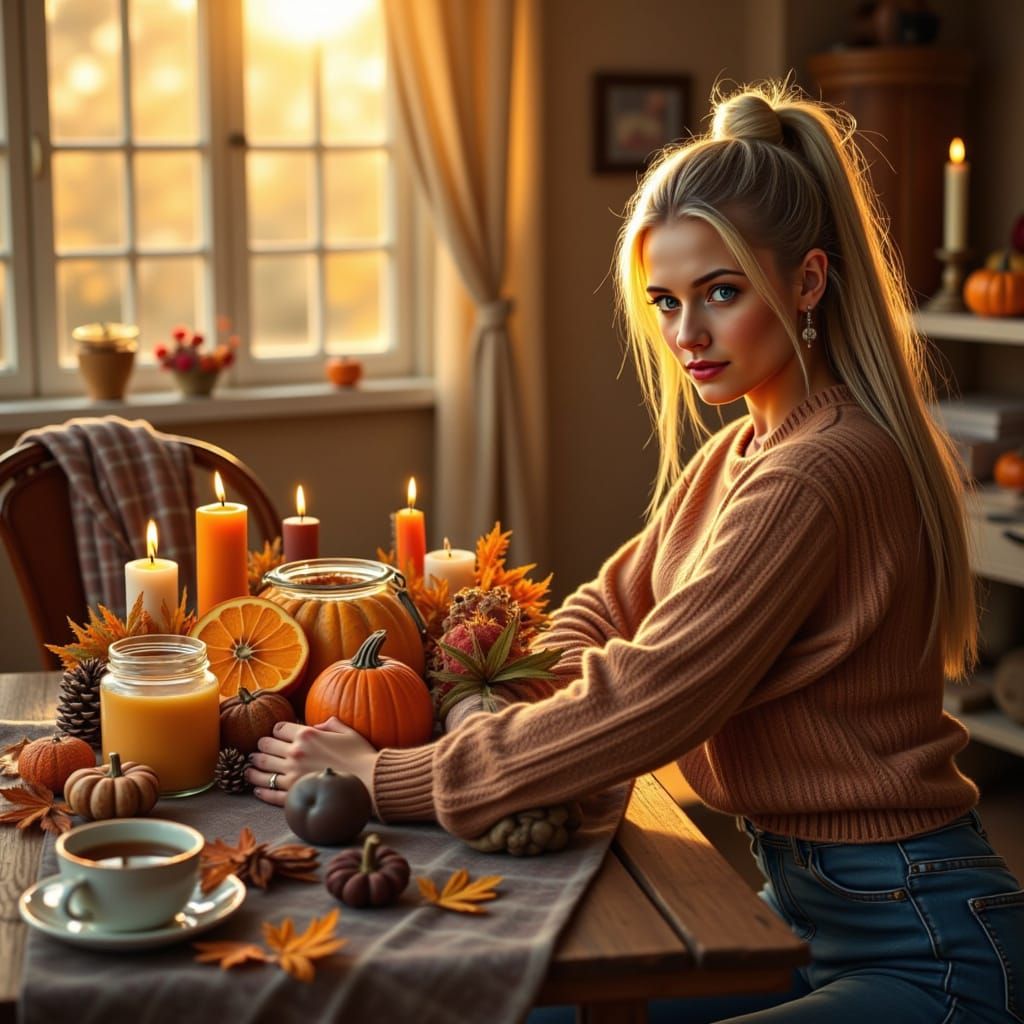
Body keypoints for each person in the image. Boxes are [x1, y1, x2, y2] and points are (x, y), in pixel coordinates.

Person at [247, 80, 1024, 1022]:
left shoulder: (815, 473)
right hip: (803, 910)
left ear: (809, 281)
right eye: (665, 301)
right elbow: (601, 615)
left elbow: (655, 693)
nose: (685, 336)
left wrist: (392, 775)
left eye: (721, 294)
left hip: (927, 945)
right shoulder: (746, 451)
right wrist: (497, 717)